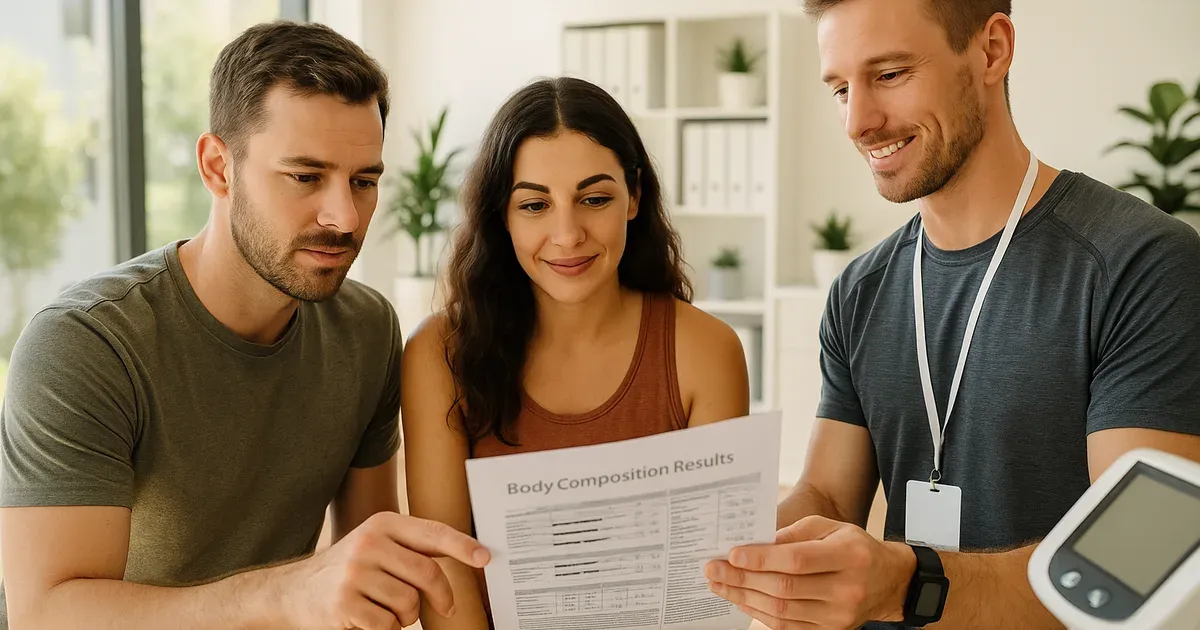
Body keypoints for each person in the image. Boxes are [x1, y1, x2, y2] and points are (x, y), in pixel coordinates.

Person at [703, 0, 1200, 628]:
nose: (859, 122)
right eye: (840, 89)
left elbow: (1132, 568)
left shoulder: (1143, 265)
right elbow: (827, 495)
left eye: (890, 74)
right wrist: (727, 549)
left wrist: (910, 586)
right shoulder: (859, 289)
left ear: (992, 50)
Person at [0, 21, 488, 630]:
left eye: (364, 181)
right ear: (217, 167)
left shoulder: (366, 330)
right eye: (306, 177)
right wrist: (287, 594)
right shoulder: (87, 344)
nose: (344, 217)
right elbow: (45, 614)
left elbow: (370, 572)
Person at [399, 76, 752, 629]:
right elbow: (445, 565)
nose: (567, 235)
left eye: (594, 199)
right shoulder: (438, 353)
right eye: (535, 205)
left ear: (634, 196)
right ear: (501, 215)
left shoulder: (706, 350)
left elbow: (705, 585)